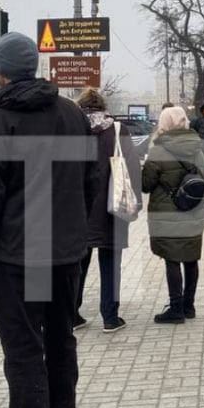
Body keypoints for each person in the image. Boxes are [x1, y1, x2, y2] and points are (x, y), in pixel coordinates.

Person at [0, 32, 97, 408]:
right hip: (63, 251)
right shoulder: (71, 113)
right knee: (59, 335)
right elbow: (91, 179)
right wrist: (75, 229)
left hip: (20, 254)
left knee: (22, 344)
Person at [74, 89, 141, 333]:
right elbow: (132, 166)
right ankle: (110, 317)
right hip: (113, 205)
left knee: (78, 262)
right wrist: (137, 203)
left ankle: (73, 314)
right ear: (104, 107)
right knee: (111, 261)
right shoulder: (117, 130)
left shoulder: (72, 129)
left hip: (79, 207)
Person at [142, 106, 204, 324]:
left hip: (167, 213)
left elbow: (145, 184)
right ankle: (189, 306)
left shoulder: (159, 150)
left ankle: (176, 308)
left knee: (172, 258)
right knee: (190, 257)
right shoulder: (197, 147)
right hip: (192, 210)